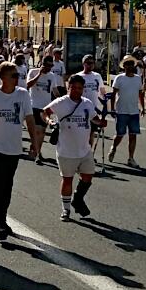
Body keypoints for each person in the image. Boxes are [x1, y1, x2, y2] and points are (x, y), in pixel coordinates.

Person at [0, 61, 40, 241]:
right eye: (14, 75)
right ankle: (0, 222)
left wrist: (34, 143)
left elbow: (29, 119)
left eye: (18, 75)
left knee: (8, 185)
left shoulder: (22, 95)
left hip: (13, 148)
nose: (17, 78)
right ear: (3, 77)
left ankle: (1, 217)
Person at [44, 75, 106, 221]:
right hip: (66, 150)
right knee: (67, 180)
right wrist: (50, 122)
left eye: (80, 88)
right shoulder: (61, 102)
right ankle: (66, 210)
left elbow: (93, 118)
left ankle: (77, 199)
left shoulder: (87, 103)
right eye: (74, 87)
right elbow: (44, 112)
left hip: (84, 149)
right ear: (69, 87)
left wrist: (100, 122)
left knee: (88, 176)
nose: (77, 91)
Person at [108, 57, 144, 167]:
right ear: (124, 67)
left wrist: (142, 107)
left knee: (133, 135)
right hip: (121, 110)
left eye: (131, 64)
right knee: (120, 134)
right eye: (127, 64)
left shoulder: (138, 79)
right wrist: (112, 109)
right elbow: (113, 94)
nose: (129, 66)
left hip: (134, 111)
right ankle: (113, 148)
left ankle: (131, 158)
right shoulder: (119, 78)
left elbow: (140, 93)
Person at [26, 55, 58, 163]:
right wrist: (39, 74)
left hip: (45, 107)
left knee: (42, 131)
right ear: (42, 64)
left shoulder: (52, 76)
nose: (49, 68)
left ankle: (37, 152)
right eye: (47, 66)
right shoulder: (33, 72)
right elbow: (28, 85)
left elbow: (54, 90)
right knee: (37, 131)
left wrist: (62, 99)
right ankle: (36, 151)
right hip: (34, 105)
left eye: (51, 66)